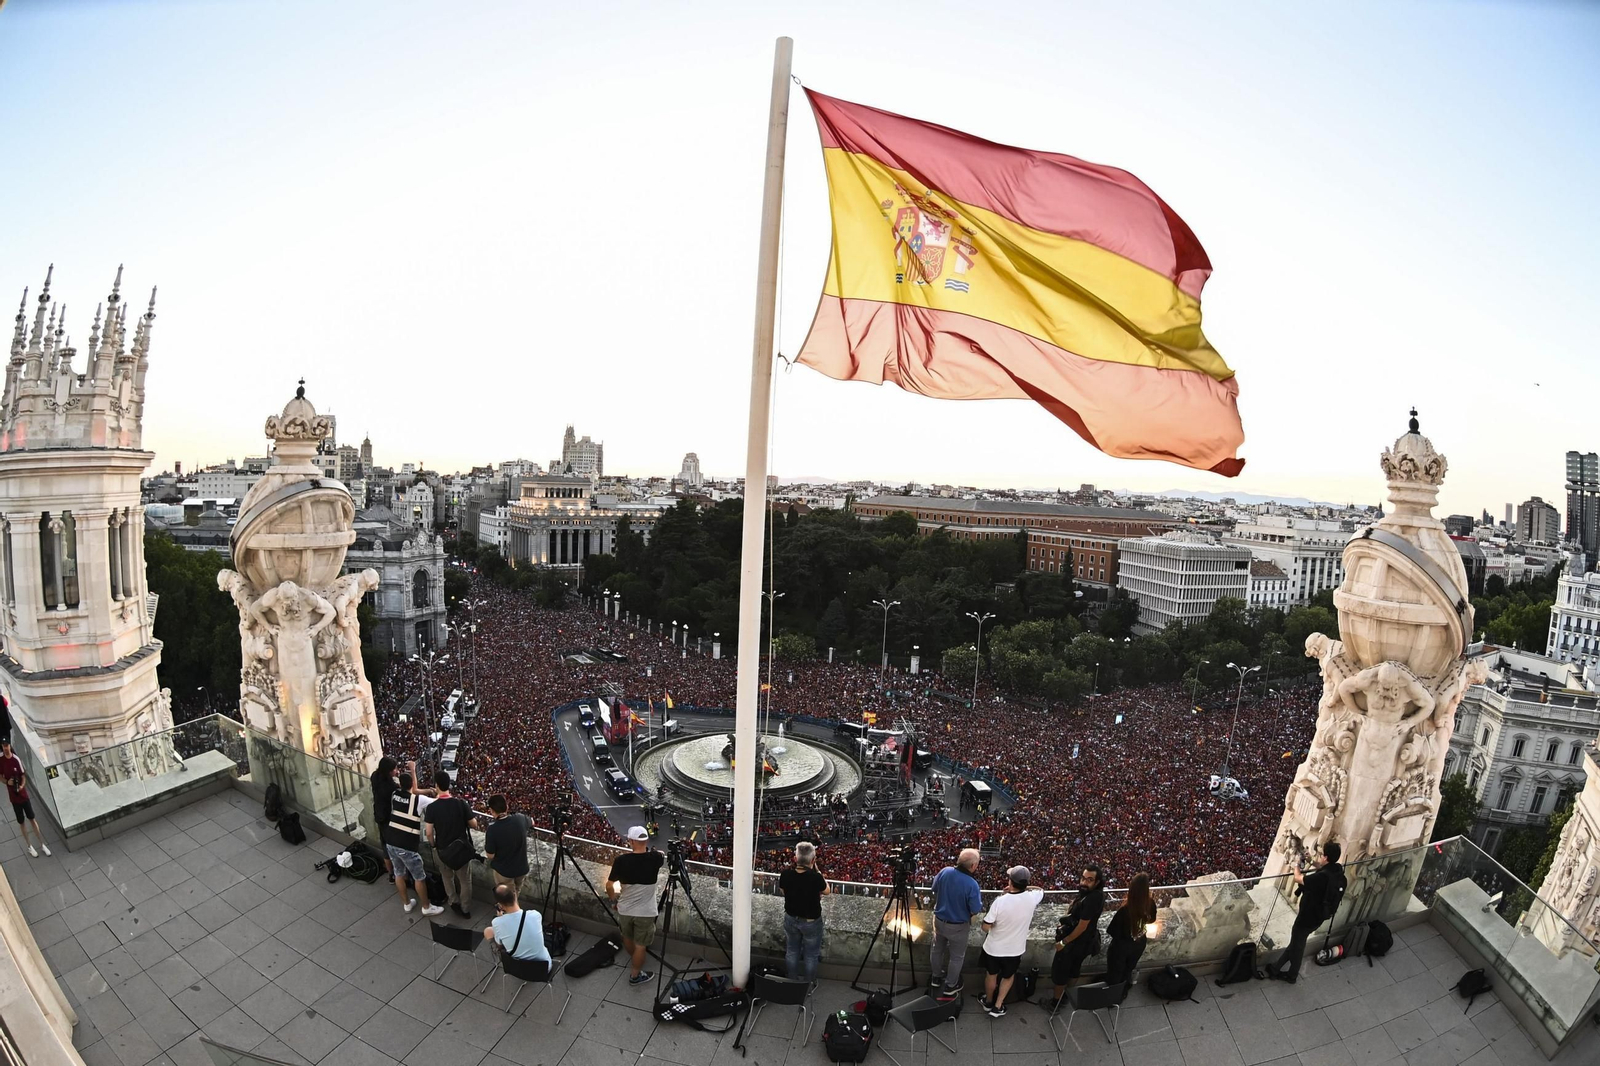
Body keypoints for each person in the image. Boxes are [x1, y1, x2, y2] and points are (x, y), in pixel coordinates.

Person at [1268, 841, 1345, 983]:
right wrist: (1310, 861)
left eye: (1321, 855)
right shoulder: (1337, 870)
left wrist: (1296, 865)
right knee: (1296, 941)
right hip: (1320, 916)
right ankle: (1275, 967)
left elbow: (1298, 878)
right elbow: (1323, 868)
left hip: (1308, 916)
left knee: (1298, 945)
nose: (1320, 857)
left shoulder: (1321, 878)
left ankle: (1292, 975)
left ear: (1325, 857)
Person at [977, 865, 1043, 1019]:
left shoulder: (1000, 901)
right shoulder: (1033, 898)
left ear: (1010, 881)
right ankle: (998, 1006)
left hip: (993, 948)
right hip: (1015, 949)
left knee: (991, 975)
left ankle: (988, 1002)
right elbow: (1040, 889)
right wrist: (1026, 887)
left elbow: (985, 927)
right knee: (1008, 976)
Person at [606, 825, 664, 986]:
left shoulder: (621, 861)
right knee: (641, 945)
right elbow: (660, 854)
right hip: (646, 912)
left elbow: (609, 885)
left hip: (625, 908)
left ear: (631, 841)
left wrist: (613, 901)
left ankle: (635, 959)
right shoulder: (656, 858)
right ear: (646, 840)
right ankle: (635, 974)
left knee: (627, 936)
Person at [1044, 865, 1105, 1011]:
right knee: (1074, 969)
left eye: (1089, 880)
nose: (1084, 882)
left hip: (1074, 943)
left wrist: (1064, 942)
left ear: (1097, 882)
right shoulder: (1095, 895)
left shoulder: (1092, 899)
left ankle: (1055, 1004)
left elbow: (1082, 926)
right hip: (1085, 942)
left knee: (1060, 972)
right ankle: (1067, 994)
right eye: (1083, 878)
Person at [384, 772, 443, 916]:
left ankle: (407, 904)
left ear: (400, 784)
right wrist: (436, 792)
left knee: (398, 873)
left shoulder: (394, 795)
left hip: (390, 840)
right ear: (412, 785)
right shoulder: (418, 800)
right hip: (406, 844)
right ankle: (426, 907)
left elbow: (411, 791)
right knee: (419, 877)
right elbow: (437, 802)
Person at [928, 848, 983, 997]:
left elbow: (934, 888)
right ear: (973, 866)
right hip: (958, 926)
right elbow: (975, 909)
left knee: (936, 950)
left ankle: (936, 977)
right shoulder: (972, 884)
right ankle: (951, 985)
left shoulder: (945, 871)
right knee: (956, 957)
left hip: (939, 921)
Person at [424, 770, 479, 919]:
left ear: (436, 786)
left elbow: (428, 832)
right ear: (449, 785)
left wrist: (433, 845)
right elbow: (474, 824)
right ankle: (465, 908)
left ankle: (453, 901)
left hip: (443, 850)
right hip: (460, 849)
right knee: (465, 880)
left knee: (447, 877)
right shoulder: (461, 803)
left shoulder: (432, 808)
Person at [777, 840, 829, 983]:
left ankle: (792, 981)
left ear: (795, 859)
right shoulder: (816, 877)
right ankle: (808, 984)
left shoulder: (785, 874)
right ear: (813, 860)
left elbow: (784, 891)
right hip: (811, 922)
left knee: (792, 951)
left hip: (791, 918)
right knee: (811, 955)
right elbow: (827, 891)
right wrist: (818, 871)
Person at [1104, 872, 1156, 1001]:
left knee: (1115, 971)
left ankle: (1113, 997)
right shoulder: (1150, 903)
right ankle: (1124, 989)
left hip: (1121, 947)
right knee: (1128, 969)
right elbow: (1152, 920)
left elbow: (1112, 930)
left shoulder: (1125, 910)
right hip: (1139, 943)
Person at [482, 883, 551, 966]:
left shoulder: (497, 922)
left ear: (500, 906)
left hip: (518, 968)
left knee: (488, 931)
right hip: (544, 967)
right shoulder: (536, 915)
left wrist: (500, 919)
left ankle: (499, 959)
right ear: (515, 896)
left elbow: (500, 946)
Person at [0, 739, 48, 857]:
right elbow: (0, 777)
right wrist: (7, 782)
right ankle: (29, 846)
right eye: (3, 746)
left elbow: (23, 775)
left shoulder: (16, 759)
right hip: (14, 798)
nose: (5, 748)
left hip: (23, 795)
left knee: (32, 819)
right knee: (21, 822)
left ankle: (42, 844)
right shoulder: (1, 761)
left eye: (7, 745)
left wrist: (21, 786)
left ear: (9, 745)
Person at [483, 794, 531, 899]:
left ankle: (507, 909)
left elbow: (490, 855)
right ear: (507, 807)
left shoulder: (492, 829)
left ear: (492, 811)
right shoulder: (520, 818)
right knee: (516, 893)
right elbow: (532, 822)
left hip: (504, 871)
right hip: (521, 868)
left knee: (507, 899)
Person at [369, 756, 401, 882]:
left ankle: (391, 874)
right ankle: (399, 874)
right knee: (393, 846)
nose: (397, 771)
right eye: (394, 769)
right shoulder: (390, 787)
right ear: (388, 771)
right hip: (388, 818)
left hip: (379, 815)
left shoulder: (375, 776)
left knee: (385, 846)